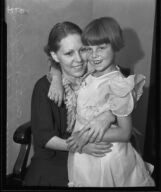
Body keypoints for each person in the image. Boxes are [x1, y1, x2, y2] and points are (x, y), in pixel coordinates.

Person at [48, 17, 155, 187]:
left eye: (101, 48)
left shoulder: (119, 84)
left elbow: (124, 133)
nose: (94, 55)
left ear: (115, 45)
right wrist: (56, 76)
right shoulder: (91, 70)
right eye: (88, 49)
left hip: (107, 156)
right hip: (86, 152)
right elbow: (57, 62)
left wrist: (83, 137)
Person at [23, 21, 115, 186]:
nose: (78, 59)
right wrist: (80, 147)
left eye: (82, 50)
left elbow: (121, 93)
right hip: (57, 156)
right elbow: (45, 137)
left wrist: (109, 115)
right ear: (55, 56)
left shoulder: (96, 75)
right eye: (69, 53)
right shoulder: (44, 88)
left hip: (93, 148)